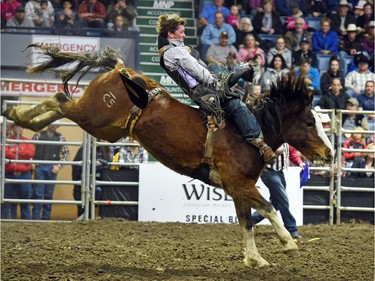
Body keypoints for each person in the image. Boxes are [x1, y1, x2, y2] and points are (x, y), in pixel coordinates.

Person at [156, 14, 277, 164]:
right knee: (237, 105)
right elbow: (200, 73)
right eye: (181, 32)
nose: (184, 34)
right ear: (170, 34)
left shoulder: (169, 50)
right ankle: (261, 145)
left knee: (239, 86)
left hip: (202, 90)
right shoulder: (175, 52)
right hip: (205, 91)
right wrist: (221, 80)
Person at [251, 143, 305, 239]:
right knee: (283, 200)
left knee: (276, 203)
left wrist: (299, 162)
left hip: (279, 172)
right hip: (268, 172)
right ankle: (291, 228)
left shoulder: (286, 139)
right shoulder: (271, 138)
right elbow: (263, 153)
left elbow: (292, 152)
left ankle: (250, 220)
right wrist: (276, 151)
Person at [32, 124, 70, 220]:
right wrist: (32, 161)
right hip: (40, 166)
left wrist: (59, 166)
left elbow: (66, 153)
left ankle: (46, 218)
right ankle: (36, 219)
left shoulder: (60, 137)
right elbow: (31, 148)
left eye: (56, 124)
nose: (54, 125)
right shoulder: (38, 135)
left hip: (51, 168)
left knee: (48, 195)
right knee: (38, 194)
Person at [2, 124, 35, 220]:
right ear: (12, 128)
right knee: (7, 201)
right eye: (17, 126)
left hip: (24, 174)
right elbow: (4, 152)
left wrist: (14, 152)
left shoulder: (28, 141)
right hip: (9, 174)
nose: (19, 129)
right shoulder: (6, 140)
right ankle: (7, 223)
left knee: (25, 201)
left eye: (21, 127)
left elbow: (31, 153)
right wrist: (21, 154)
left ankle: (26, 224)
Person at [72, 140, 109, 218]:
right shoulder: (85, 150)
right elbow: (76, 168)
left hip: (96, 183)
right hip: (84, 184)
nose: (105, 141)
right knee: (84, 208)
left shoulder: (105, 151)